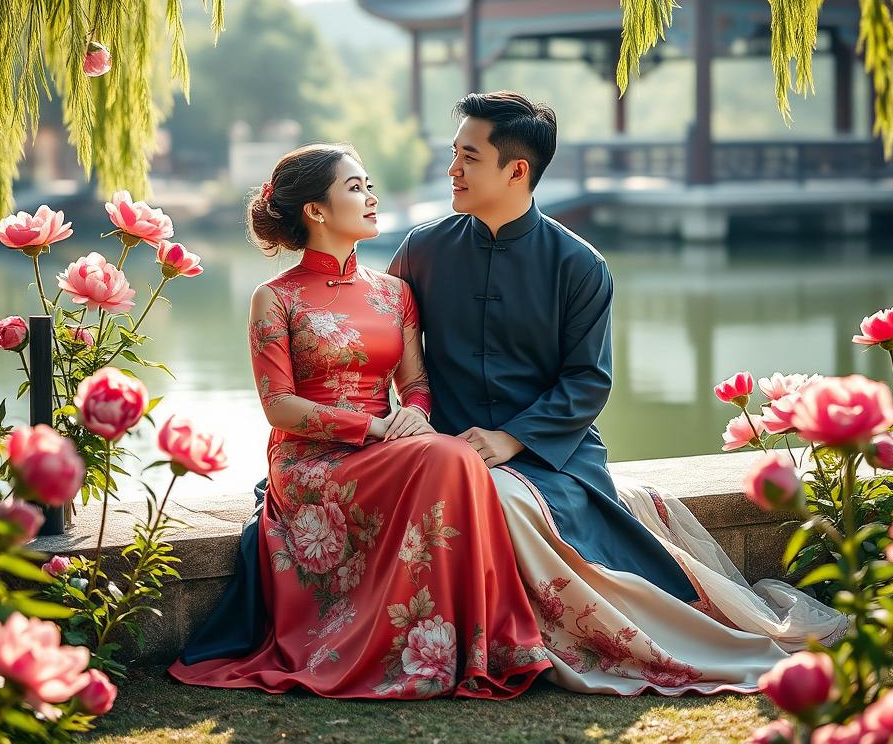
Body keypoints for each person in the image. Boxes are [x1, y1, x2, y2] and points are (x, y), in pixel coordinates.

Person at [389, 92, 848, 696]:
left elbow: (588, 380)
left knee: (503, 496)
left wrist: (509, 439)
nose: (452, 169)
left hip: (550, 453)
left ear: (516, 170)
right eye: (454, 154)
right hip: (443, 442)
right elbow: (387, 346)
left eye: (468, 157)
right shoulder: (421, 251)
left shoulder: (578, 266)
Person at [167, 144, 551, 699]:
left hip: (388, 447)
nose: (371, 198)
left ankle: (474, 643)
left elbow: (415, 386)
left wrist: (415, 417)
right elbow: (279, 406)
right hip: (311, 460)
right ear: (316, 211)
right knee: (449, 456)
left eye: (368, 185)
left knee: (451, 456)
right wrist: (375, 429)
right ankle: (442, 645)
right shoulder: (273, 299)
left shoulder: (395, 293)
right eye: (355, 188)